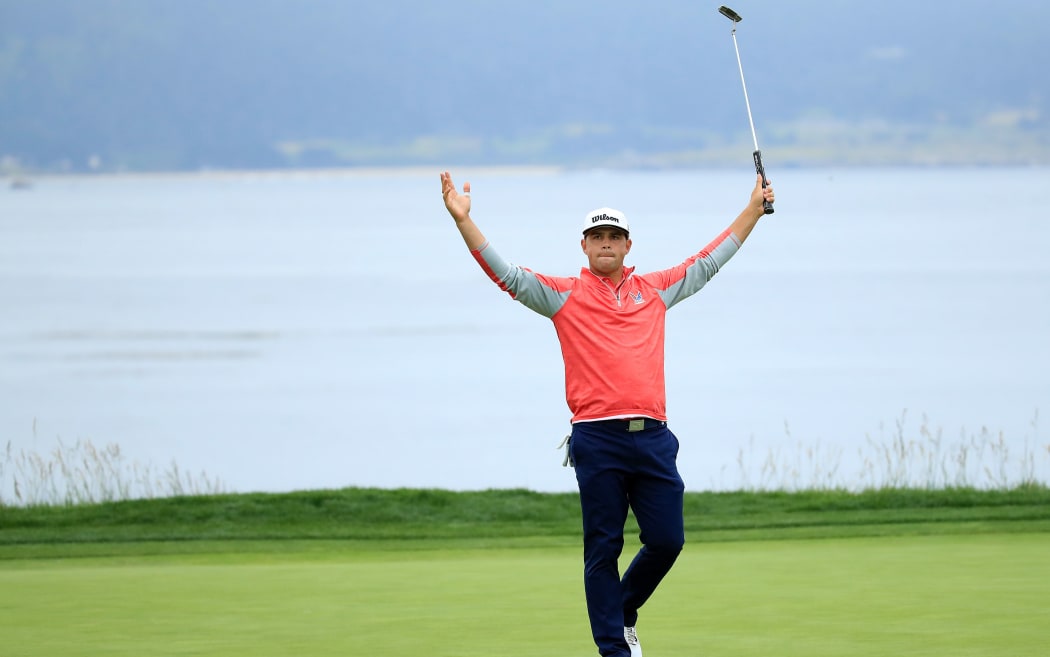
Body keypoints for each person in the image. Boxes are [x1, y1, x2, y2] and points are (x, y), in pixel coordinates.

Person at [440, 170, 775, 657]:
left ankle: (621, 612)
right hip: (597, 440)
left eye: (613, 236)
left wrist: (753, 211)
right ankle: (614, 649)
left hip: (654, 438)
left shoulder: (656, 290)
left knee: (667, 540)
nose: (605, 244)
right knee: (603, 548)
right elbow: (507, 276)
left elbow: (709, 262)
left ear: (627, 244)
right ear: (584, 245)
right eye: (596, 236)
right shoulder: (562, 295)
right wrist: (464, 222)